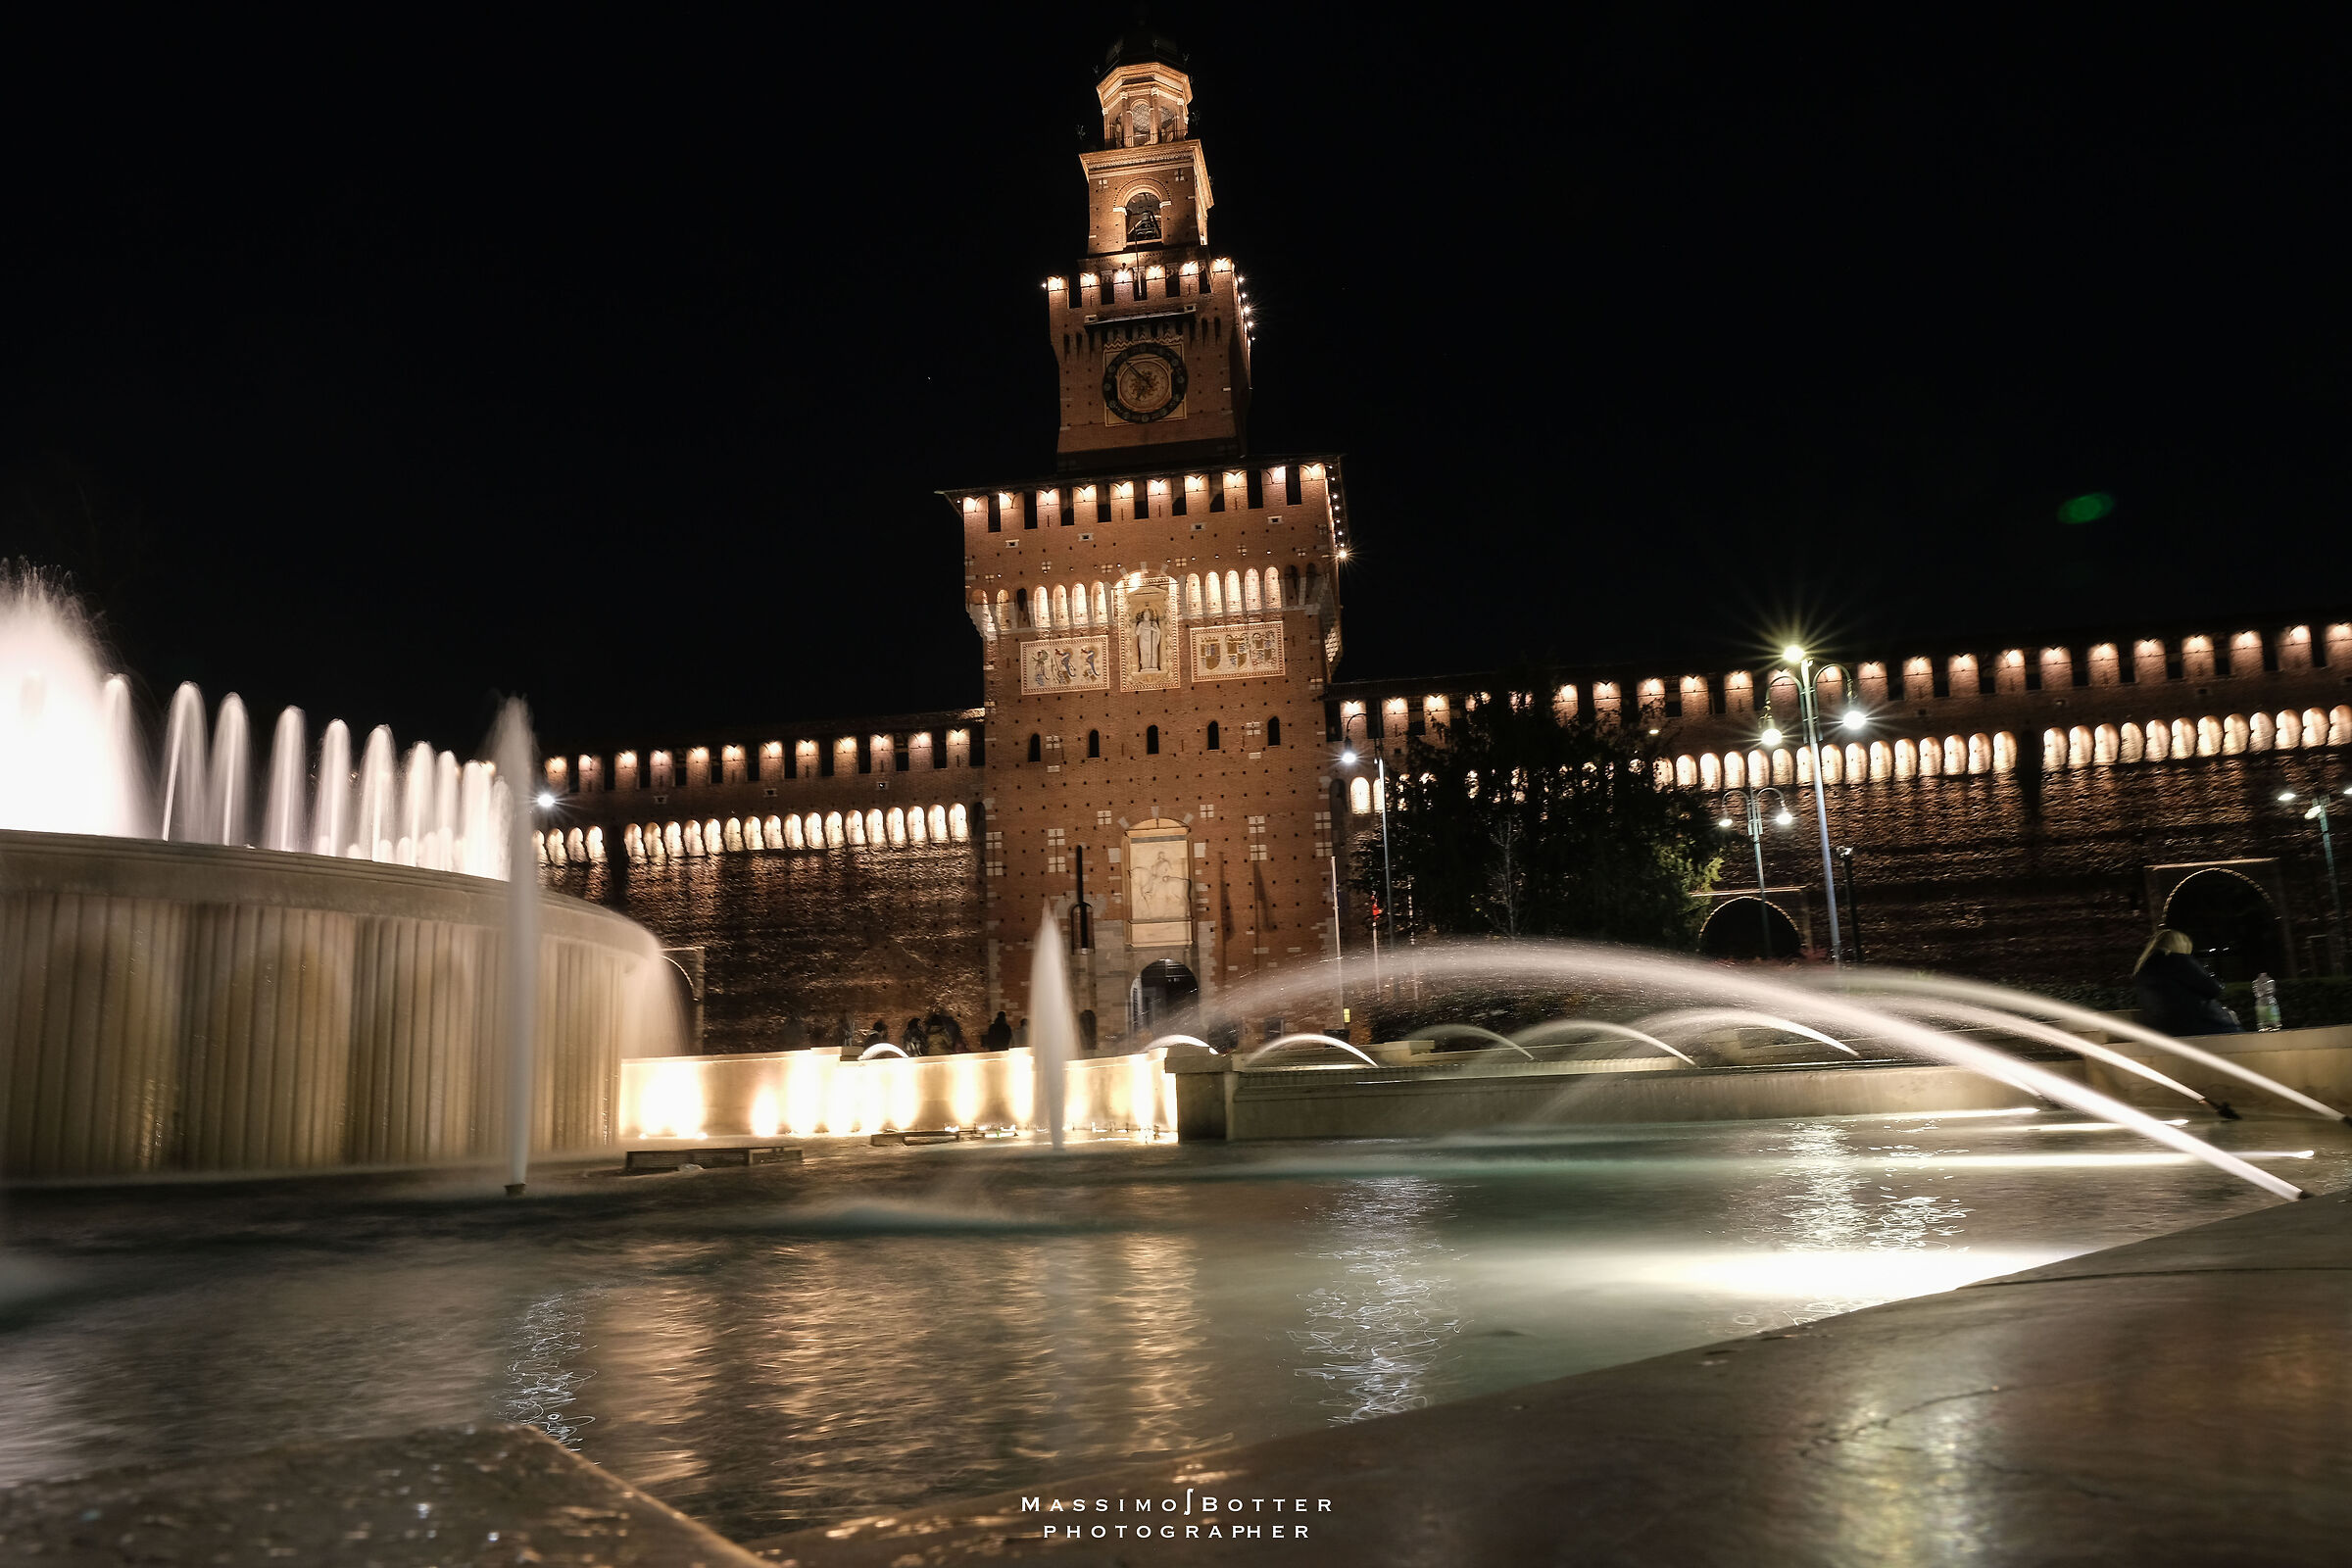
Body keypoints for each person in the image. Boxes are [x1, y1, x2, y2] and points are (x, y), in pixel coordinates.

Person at [2133, 929, 2241, 1037]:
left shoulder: (2143, 968)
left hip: (2163, 1029)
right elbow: (2214, 989)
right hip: (2202, 1026)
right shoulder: (2178, 960)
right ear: (2179, 944)